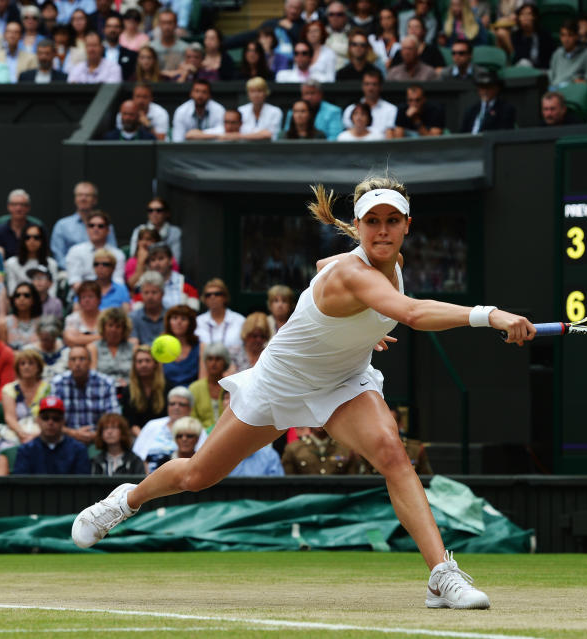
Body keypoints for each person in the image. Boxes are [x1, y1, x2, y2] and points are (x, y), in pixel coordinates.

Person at [72, 173, 536, 609]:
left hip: (343, 380)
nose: (382, 231)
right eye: (371, 222)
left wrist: (360, 328)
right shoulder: (351, 274)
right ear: (356, 226)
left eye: (392, 221)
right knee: (197, 476)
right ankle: (125, 501)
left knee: (393, 453)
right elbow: (412, 313)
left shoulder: (385, 263)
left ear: (407, 226)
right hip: (279, 384)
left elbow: (326, 266)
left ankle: (441, 574)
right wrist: (489, 314)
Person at [51, 344, 120, 446]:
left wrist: (98, 434)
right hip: (66, 440)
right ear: (68, 363)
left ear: (90, 362)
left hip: (101, 439)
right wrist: (73, 433)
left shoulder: (106, 383)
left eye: (82, 359)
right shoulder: (58, 383)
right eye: (73, 359)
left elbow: (115, 418)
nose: (77, 363)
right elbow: (51, 420)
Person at [130, 386, 205, 471]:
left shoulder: (197, 429)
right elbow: (137, 456)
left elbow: (202, 458)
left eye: (181, 404)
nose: (176, 407)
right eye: (172, 404)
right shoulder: (152, 425)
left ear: (190, 409)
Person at [12, 396, 90, 474]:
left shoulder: (78, 450)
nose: (50, 422)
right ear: (38, 420)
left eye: (56, 418)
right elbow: (20, 483)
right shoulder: (26, 450)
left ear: (63, 421)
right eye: (45, 418)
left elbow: (82, 483)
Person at [50, 182, 118, 270]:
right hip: (70, 272)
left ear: (95, 200)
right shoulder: (62, 225)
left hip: (102, 272)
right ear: (75, 199)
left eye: (87, 195)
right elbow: (59, 257)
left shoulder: (105, 225)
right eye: (80, 195)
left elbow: (112, 253)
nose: (83, 198)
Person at [66, 211, 126, 292]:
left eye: (100, 226)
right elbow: (74, 280)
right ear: (87, 229)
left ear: (108, 230)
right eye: (91, 225)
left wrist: (105, 296)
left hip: (111, 296)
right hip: (83, 296)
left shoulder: (118, 254)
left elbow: (118, 281)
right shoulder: (75, 251)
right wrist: (92, 297)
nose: (95, 228)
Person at [0, 349, 49, 446]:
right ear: (18, 368)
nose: (26, 367)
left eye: (31, 363)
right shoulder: (9, 389)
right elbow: (9, 417)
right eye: (22, 364)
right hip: (16, 432)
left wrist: (36, 436)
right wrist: (22, 434)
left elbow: (50, 417)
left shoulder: (47, 388)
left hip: (43, 432)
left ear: (38, 367)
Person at [120, 344, 166, 435]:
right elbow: (130, 423)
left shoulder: (167, 388)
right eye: (139, 361)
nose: (143, 365)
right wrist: (143, 438)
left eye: (148, 361)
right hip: (137, 436)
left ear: (155, 364)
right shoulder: (128, 391)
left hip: (162, 435)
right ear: (134, 365)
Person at [87, 307, 135, 387]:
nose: (113, 330)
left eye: (118, 326)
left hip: (127, 389)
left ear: (124, 329)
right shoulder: (93, 347)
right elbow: (92, 374)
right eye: (110, 325)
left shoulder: (132, 348)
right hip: (102, 390)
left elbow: (136, 376)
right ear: (103, 327)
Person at [128, 197, 181, 265]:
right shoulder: (139, 229)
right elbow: (133, 255)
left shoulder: (175, 232)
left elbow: (175, 261)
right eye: (150, 210)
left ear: (167, 213)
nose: (154, 213)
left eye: (159, 210)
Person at [189, 342, 229, 431]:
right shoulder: (194, 388)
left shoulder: (231, 386)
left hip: (227, 433)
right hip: (199, 436)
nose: (213, 363)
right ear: (205, 362)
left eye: (218, 359)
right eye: (210, 359)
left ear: (225, 362)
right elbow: (192, 419)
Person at [460, 67, 515, 133]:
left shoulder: (506, 109)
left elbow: (503, 133)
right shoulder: (471, 110)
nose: (485, 91)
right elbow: (462, 133)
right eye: (482, 88)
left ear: (496, 89)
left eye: (488, 87)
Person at [281, 427, 357, 474]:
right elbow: (289, 482)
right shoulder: (294, 449)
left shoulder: (346, 449)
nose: (320, 420)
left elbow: (352, 482)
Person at [194, 278, 244, 349]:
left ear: (225, 297)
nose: (212, 297)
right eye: (208, 295)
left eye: (217, 294)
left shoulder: (240, 320)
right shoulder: (197, 322)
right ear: (204, 299)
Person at [161, 304, 200, 387]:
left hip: (192, 395)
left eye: (183, 319)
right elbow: (158, 380)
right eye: (175, 318)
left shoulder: (200, 347)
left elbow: (202, 381)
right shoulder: (161, 346)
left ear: (190, 323)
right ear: (169, 322)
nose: (179, 322)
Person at [548, 19, 587, 88]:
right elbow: (551, 76)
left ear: (576, 36)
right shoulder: (557, 53)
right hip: (554, 89)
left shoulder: (586, 53)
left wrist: (580, 82)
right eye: (563, 35)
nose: (566, 39)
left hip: (573, 90)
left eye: (570, 35)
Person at [0, 282, 42, 350]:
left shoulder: (42, 323)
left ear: (33, 300)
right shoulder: (4, 323)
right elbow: (2, 352)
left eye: (26, 295)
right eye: (17, 295)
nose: (21, 298)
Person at [0, 189, 32, 260]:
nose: (18, 208)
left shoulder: (35, 230)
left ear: (28, 208)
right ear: (8, 206)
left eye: (22, 205)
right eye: (14, 204)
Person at [510, 3, 553, 69]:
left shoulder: (544, 35)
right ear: (518, 18)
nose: (525, 17)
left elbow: (548, 60)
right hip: (520, 71)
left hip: (541, 72)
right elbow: (516, 58)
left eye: (529, 14)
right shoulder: (515, 36)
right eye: (522, 14)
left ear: (534, 17)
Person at [129, 271, 165, 344]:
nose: (150, 297)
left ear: (162, 294)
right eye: (146, 292)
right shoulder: (133, 317)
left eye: (154, 292)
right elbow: (133, 344)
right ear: (141, 294)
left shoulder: (171, 317)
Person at [64, 280, 102, 347]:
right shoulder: (72, 318)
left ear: (99, 299)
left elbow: (113, 339)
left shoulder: (106, 317)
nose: (87, 300)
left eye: (91, 296)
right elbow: (70, 340)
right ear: (79, 301)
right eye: (83, 297)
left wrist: (80, 337)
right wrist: (101, 337)